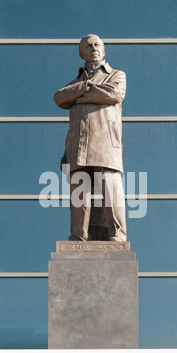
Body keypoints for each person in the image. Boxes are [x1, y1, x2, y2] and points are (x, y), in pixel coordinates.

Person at [54, 34, 127, 242]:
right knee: (79, 189)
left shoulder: (116, 74)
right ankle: (78, 235)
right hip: (79, 144)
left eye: (97, 45)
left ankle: (118, 234)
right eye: (88, 46)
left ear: (103, 50)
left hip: (105, 141)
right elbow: (59, 97)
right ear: (81, 53)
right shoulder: (77, 81)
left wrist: (77, 96)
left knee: (111, 186)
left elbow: (114, 94)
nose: (94, 48)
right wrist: (86, 87)